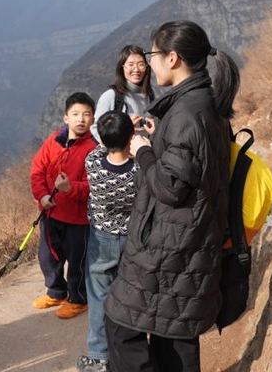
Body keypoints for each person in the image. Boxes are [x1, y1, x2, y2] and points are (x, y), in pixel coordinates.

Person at [104, 20, 240, 372]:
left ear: (173, 58)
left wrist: (143, 151)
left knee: (122, 325)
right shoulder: (202, 103)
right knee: (173, 335)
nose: (148, 63)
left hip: (170, 247)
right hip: (189, 241)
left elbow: (170, 187)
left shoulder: (186, 114)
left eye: (152, 55)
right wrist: (160, 136)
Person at [77, 111, 138, 372]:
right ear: (131, 138)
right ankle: (128, 352)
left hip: (101, 238)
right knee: (129, 295)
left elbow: (101, 146)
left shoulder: (92, 163)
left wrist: (120, 131)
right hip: (132, 239)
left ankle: (98, 356)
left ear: (102, 140)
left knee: (98, 296)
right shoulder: (139, 170)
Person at [30, 92, 98, 319]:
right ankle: (56, 291)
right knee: (48, 256)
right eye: (76, 114)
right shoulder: (53, 141)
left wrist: (70, 189)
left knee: (77, 261)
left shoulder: (93, 150)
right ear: (66, 118)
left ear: (93, 119)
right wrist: (42, 196)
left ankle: (78, 299)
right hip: (51, 213)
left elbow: (92, 187)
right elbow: (37, 170)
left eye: (86, 115)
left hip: (79, 220)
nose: (81, 119)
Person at [90, 44, 155, 143]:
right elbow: (96, 129)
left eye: (141, 64)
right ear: (122, 68)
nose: (136, 69)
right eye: (131, 65)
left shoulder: (150, 96)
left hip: (144, 151)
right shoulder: (112, 96)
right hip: (119, 152)